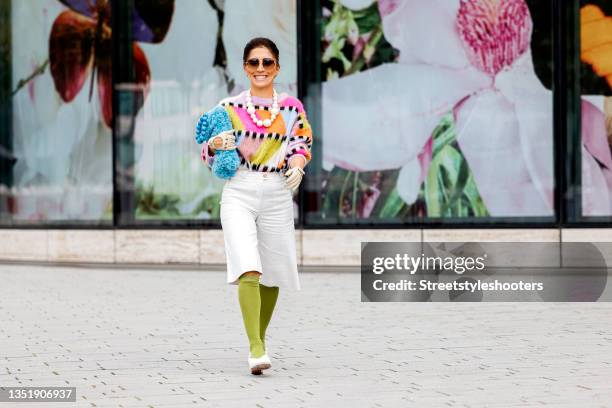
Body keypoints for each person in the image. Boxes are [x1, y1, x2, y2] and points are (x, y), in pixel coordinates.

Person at [200, 37, 313, 375]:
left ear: (277, 67)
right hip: (240, 190)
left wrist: (297, 165)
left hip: (278, 192)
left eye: (267, 62)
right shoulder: (228, 108)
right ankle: (256, 348)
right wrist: (214, 144)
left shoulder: (291, 107)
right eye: (253, 63)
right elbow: (208, 152)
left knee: (273, 273)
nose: (260, 69)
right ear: (245, 67)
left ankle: (258, 337)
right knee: (249, 267)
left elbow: (301, 142)